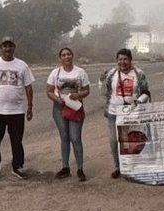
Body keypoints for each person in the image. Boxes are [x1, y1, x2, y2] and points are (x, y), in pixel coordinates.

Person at [0, 38, 34, 181]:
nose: (8, 49)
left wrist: (30, 106)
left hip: (16, 112)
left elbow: (28, 87)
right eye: (5, 46)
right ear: (1, 48)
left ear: (14, 48)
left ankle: (18, 166)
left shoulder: (22, 66)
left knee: (17, 141)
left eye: (10, 46)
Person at [102, 48, 150, 179]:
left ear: (130, 60)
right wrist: (101, 81)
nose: (122, 62)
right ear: (116, 60)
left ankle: (133, 166)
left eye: (125, 59)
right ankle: (118, 167)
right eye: (120, 59)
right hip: (114, 112)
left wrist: (139, 101)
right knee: (114, 140)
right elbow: (104, 92)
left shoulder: (139, 74)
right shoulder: (111, 74)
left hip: (132, 113)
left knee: (131, 140)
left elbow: (146, 92)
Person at [46, 47, 91, 181]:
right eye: (64, 55)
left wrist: (78, 95)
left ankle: (80, 168)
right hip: (59, 107)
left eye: (68, 54)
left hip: (75, 107)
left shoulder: (80, 72)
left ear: (72, 56)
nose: (66, 57)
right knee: (64, 136)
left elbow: (87, 90)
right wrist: (57, 99)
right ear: (60, 58)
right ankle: (65, 167)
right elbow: (48, 91)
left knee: (75, 137)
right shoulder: (55, 73)